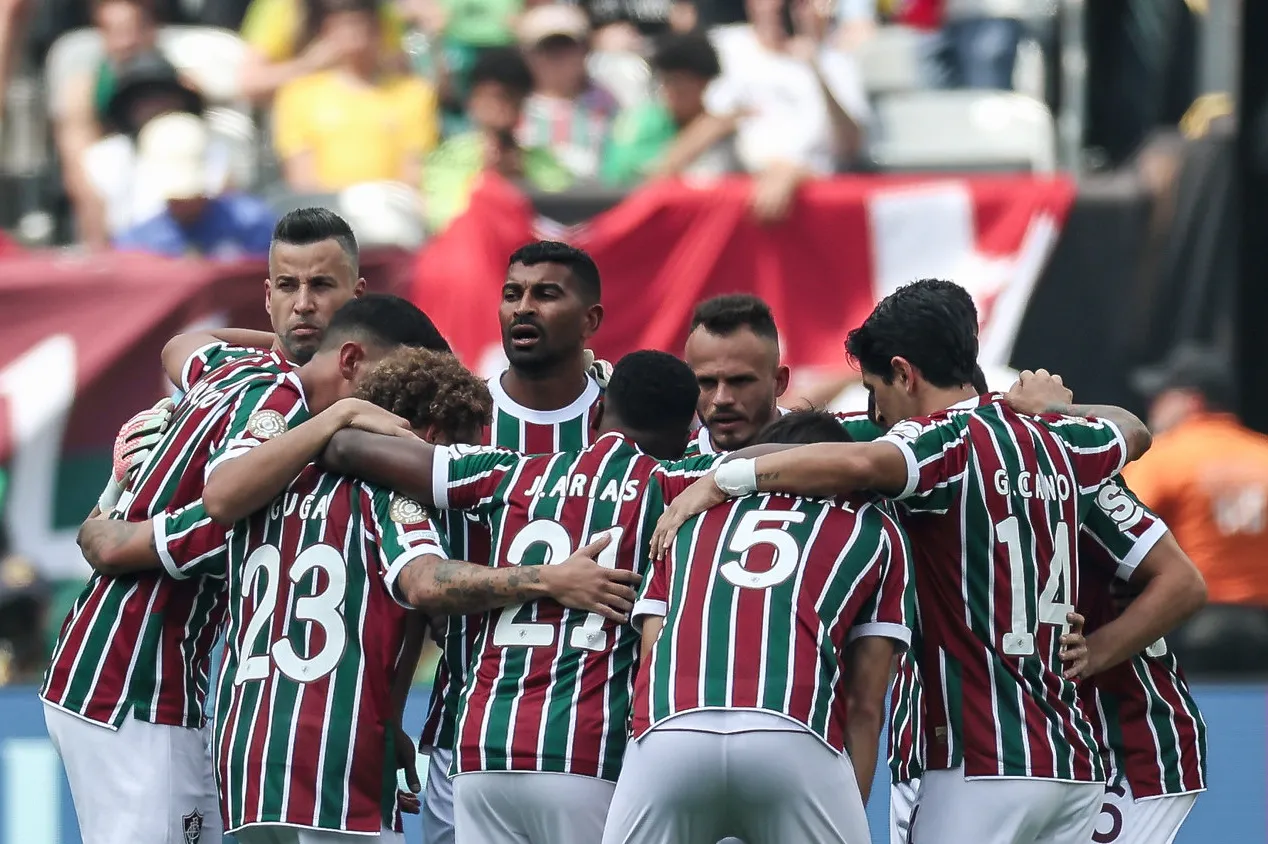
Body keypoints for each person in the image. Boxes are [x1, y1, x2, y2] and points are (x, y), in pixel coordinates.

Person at [650, 279, 1205, 844]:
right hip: (1069, 759)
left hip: (987, 754)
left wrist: (723, 477)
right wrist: (1057, 407)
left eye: (874, 390)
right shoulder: (1061, 438)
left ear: (904, 374)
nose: (874, 410)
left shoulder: (935, 442)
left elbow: (864, 465)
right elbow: (1130, 432)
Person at [75, 347, 640, 844]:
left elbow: (123, 544)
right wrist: (546, 578)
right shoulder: (390, 496)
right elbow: (424, 582)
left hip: (246, 759)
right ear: (431, 435)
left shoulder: (260, 492)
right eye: (456, 444)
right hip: (337, 763)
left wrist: (105, 513)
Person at [37, 212, 417, 844]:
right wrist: (126, 540)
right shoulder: (289, 405)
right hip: (138, 681)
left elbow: (179, 346)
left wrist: (117, 523)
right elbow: (227, 499)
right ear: (265, 294)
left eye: (321, 287)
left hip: (112, 668)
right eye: (286, 288)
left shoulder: (226, 366)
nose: (302, 305)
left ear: (356, 295)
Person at [316, 349, 705, 844]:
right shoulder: (675, 485)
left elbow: (345, 448)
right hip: (584, 748)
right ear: (685, 433)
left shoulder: (512, 473)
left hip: (482, 747)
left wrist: (346, 413)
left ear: (597, 410)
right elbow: (786, 461)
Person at [881, 369, 1208, 844]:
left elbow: (1183, 582)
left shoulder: (1064, 469)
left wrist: (1096, 649)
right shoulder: (911, 468)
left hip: (1121, 738)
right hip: (960, 743)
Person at [604, 409, 913, 844]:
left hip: (669, 726)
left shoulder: (689, 517)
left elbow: (652, 653)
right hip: (791, 731)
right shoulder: (875, 527)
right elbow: (865, 703)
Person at [407, 240, 608, 844]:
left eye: (547, 294)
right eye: (513, 294)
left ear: (591, 319)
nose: (524, 309)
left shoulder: (627, 417)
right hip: (463, 730)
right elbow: (409, 572)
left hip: (594, 740)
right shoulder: (460, 417)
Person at [1122, 343, 1268, 609]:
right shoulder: (1263, 454)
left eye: (1161, 396)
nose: (1153, 407)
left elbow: (1118, 529)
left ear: (1193, 401)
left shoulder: (1164, 457)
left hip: (1191, 614)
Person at [699, 0, 871, 220]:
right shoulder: (725, 47)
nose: (777, 8)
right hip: (734, 194)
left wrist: (815, 68)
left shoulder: (836, 63)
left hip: (814, 200)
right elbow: (701, 122)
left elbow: (851, 146)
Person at [272, 0, 439, 191]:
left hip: (387, 208)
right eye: (344, 25)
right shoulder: (297, 95)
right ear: (326, 32)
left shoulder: (414, 93)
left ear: (380, 30)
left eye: (362, 24)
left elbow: (413, 171)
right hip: (325, 211)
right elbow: (301, 176)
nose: (354, 33)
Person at [422, 48, 571, 232]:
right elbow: (442, 219)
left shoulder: (543, 162)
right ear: (473, 100)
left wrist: (520, 180)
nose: (503, 105)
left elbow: (562, 221)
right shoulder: (450, 158)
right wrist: (488, 180)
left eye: (512, 96)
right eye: (495, 96)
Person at [113, 112, 276, 259]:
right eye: (175, 197)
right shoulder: (136, 243)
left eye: (191, 195)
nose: (184, 203)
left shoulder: (253, 223)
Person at [601, 32, 739, 187]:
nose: (670, 90)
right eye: (665, 80)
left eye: (679, 81)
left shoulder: (726, 129)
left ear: (704, 82)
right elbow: (644, 180)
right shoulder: (643, 122)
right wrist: (705, 132)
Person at [516, 4, 620, 182]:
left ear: (585, 49)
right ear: (528, 55)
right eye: (547, 48)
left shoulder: (608, 103)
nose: (558, 57)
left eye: (566, 46)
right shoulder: (514, 108)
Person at [237, 0, 408, 103]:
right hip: (302, 130)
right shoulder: (284, 6)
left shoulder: (376, 9)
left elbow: (402, 77)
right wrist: (308, 66)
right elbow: (251, 83)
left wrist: (363, 55)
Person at [683, 294, 790, 456]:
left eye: (739, 381)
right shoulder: (660, 471)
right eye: (707, 382)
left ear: (779, 382)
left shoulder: (832, 442)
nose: (722, 399)